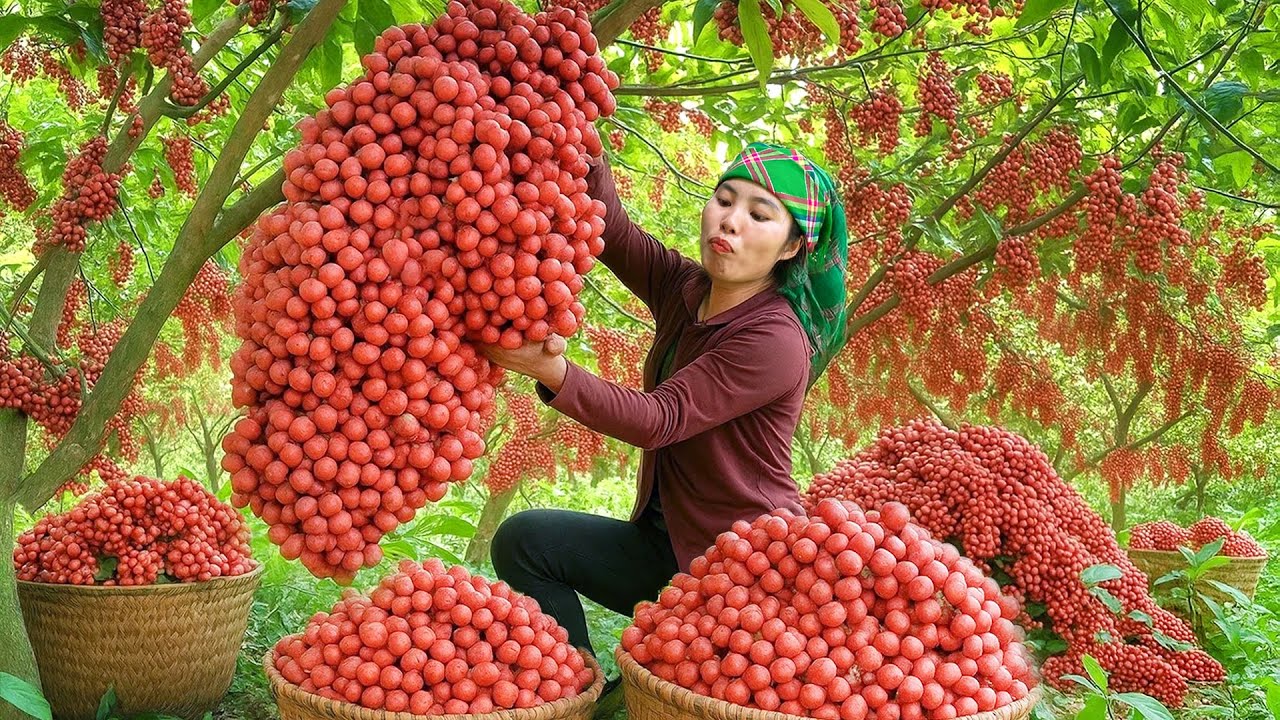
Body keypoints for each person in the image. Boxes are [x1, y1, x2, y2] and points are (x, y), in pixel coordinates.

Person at [481, 142, 849, 667]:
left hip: (743, 567)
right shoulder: (687, 288)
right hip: (666, 546)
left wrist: (549, 369)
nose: (731, 221)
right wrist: (583, 145)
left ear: (791, 247)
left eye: (759, 215)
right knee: (524, 541)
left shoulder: (775, 339)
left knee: (696, 673)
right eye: (725, 200)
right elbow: (615, 234)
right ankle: (577, 682)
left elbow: (659, 418)